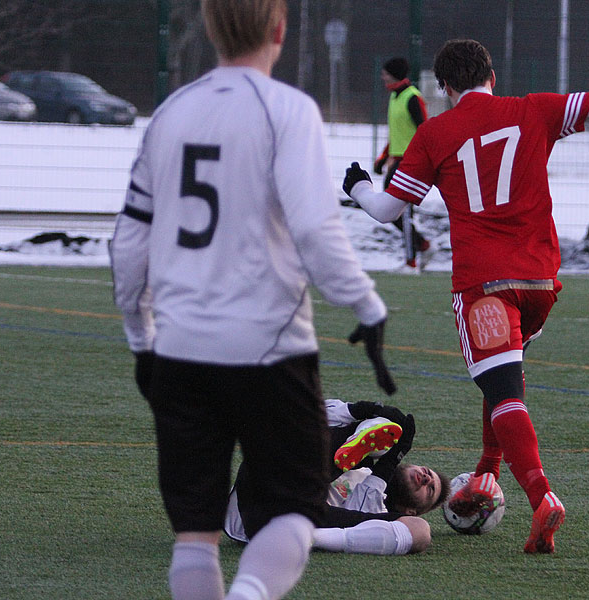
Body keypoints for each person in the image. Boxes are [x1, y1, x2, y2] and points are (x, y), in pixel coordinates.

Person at [342, 38, 589, 554]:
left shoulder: (437, 133)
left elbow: (391, 210)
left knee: (503, 388)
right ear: (493, 77)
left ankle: (542, 495)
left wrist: (359, 187)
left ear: (445, 87)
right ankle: (486, 470)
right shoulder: (534, 110)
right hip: (540, 284)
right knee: (504, 375)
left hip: (484, 284)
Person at [109, 1, 396, 598]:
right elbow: (317, 229)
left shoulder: (170, 114)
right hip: (269, 348)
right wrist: (367, 306)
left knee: (195, 534)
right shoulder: (288, 110)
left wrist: (143, 340)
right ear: (280, 29)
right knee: (292, 511)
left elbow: (128, 242)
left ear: (211, 29)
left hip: (182, 349)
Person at [224, 399, 451, 556]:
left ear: (412, 510)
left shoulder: (381, 516)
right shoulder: (363, 466)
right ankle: (359, 419)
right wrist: (363, 410)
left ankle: (308, 536)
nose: (427, 478)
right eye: (428, 472)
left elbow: (359, 509)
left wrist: (392, 459)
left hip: (268, 517)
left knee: (419, 531)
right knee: (387, 428)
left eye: (429, 489)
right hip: (267, 479)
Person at [373, 57, 433, 273]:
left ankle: (411, 261)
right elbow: (398, 133)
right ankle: (422, 245)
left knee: (404, 213)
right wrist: (383, 157)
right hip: (396, 161)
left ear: (394, 74)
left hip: (410, 164)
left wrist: (419, 160)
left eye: (386, 73)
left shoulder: (412, 98)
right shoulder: (394, 97)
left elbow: (423, 132)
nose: (383, 76)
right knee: (389, 211)